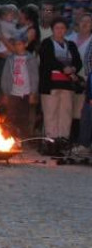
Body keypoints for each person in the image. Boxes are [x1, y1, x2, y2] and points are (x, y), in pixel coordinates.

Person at [37, 17, 83, 150]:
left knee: (66, 113)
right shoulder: (46, 43)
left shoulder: (71, 45)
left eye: (63, 28)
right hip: (51, 84)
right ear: (53, 29)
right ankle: (51, 142)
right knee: (51, 113)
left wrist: (73, 68)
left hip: (67, 85)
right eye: (57, 28)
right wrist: (63, 68)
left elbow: (77, 62)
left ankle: (63, 140)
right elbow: (48, 60)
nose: (60, 30)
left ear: (66, 30)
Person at [0, 37, 38, 139]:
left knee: (24, 117)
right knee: (11, 117)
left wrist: (33, 93)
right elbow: (6, 75)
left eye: (20, 44)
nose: (17, 47)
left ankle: (23, 140)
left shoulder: (31, 58)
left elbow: (34, 76)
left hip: (25, 92)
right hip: (13, 92)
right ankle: (10, 138)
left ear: (25, 44)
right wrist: (5, 92)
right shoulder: (10, 59)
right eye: (16, 44)